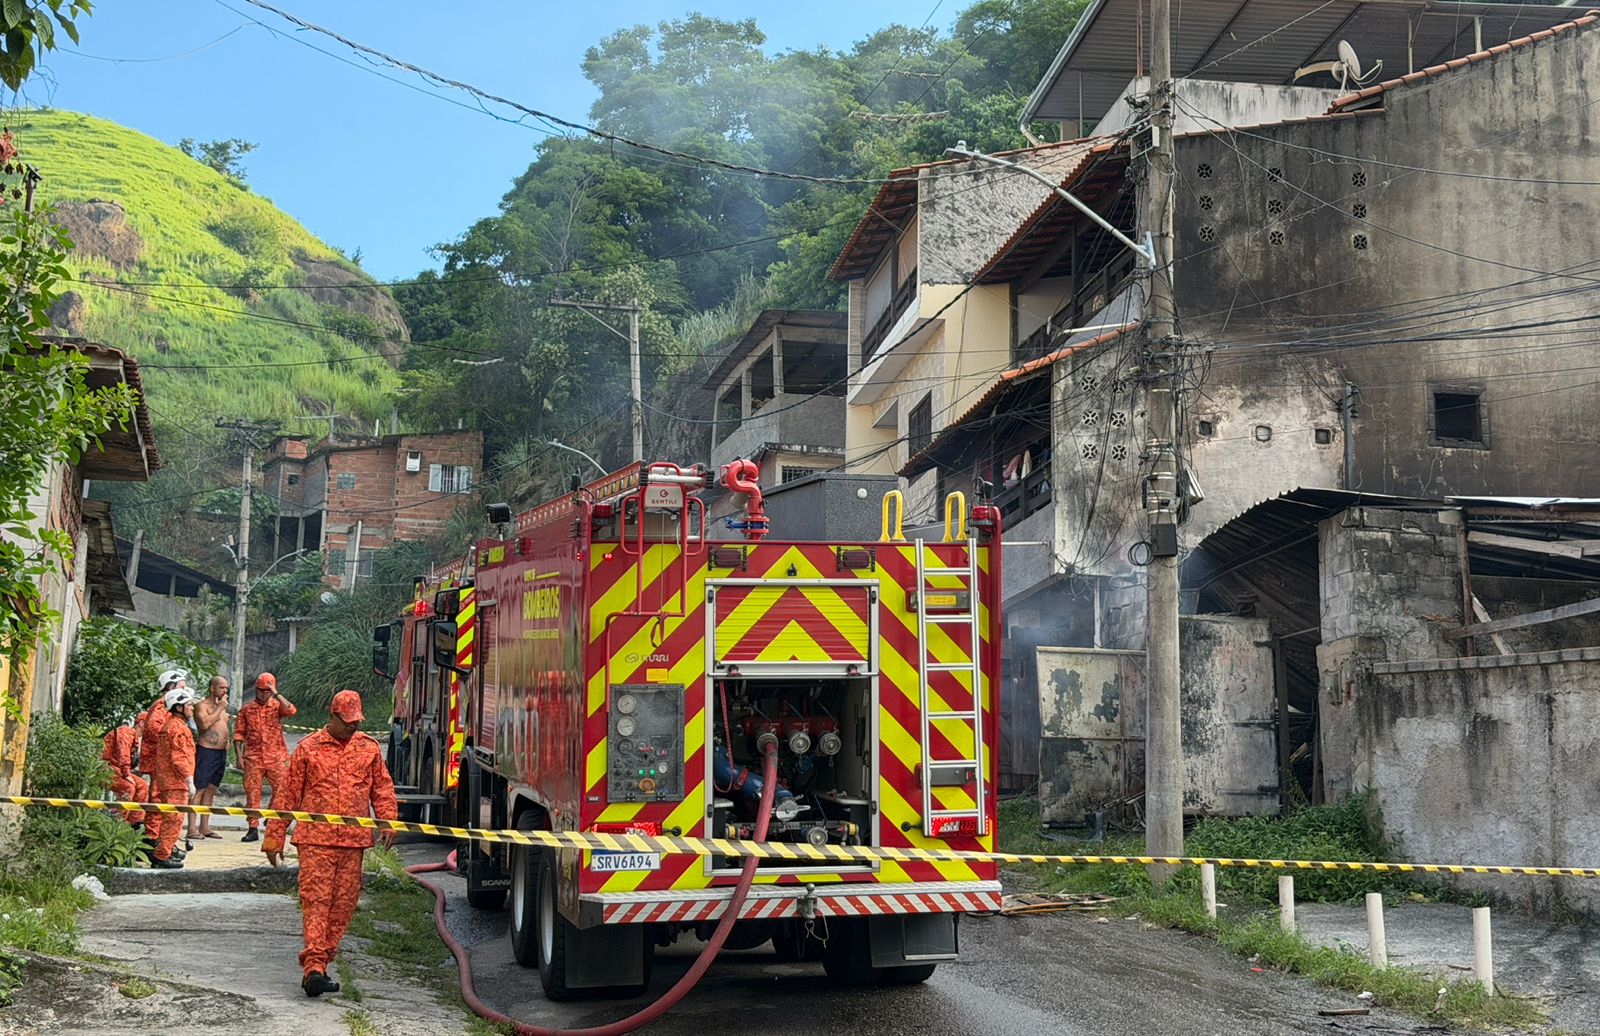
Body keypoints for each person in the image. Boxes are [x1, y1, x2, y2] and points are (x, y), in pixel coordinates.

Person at [263, 690, 397, 998]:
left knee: (344, 905)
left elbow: (382, 787)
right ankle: (314, 968)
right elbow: (287, 795)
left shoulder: (368, 749)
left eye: (356, 721)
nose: (352, 726)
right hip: (316, 841)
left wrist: (388, 819)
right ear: (332, 716)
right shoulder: (309, 748)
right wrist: (275, 836)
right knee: (316, 902)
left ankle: (321, 961)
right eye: (347, 721)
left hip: (353, 843)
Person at [234, 672, 297, 843]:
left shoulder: (277, 706)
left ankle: (270, 817)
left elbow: (291, 710)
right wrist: (239, 758)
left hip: (276, 756)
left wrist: (275, 692)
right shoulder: (246, 709)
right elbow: (239, 735)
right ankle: (252, 827)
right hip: (253, 758)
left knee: (282, 789)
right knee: (253, 793)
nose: (263, 693)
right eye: (260, 690)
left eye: (266, 690)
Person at [151, 687, 198, 870]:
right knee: (173, 819)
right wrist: (189, 780)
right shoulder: (178, 729)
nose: (192, 708)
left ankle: (165, 851)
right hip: (175, 783)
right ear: (179, 707)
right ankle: (162, 856)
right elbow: (179, 758)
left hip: (167, 781)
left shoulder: (169, 726)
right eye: (188, 705)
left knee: (169, 819)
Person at [188, 676, 231, 842]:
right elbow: (204, 724)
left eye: (226, 688)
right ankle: (192, 827)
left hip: (220, 753)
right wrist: (220, 708)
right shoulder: (201, 706)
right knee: (199, 789)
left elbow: (224, 728)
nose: (225, 691)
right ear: (213, 688)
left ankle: (204, 826)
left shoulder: (223, 708)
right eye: (221, 687)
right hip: (206, 751)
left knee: (211, 789)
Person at [137, 669, 186, 783]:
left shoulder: (169, 706)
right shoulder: (161, 706)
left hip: (164, 756)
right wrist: (174, 741)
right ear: (170, 687)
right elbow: (155, 729)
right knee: (158, 792)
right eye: (181, 687)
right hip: (159, 757)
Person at [101, 713, 148, 830]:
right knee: (128, 788)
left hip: (116, 768)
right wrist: (127, 774)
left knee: (142, 786)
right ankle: (118, 824)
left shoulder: (135, 738)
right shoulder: (126, 732)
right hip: (105, 767)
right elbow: (124, 754)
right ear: (142, 723)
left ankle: (135, 822)